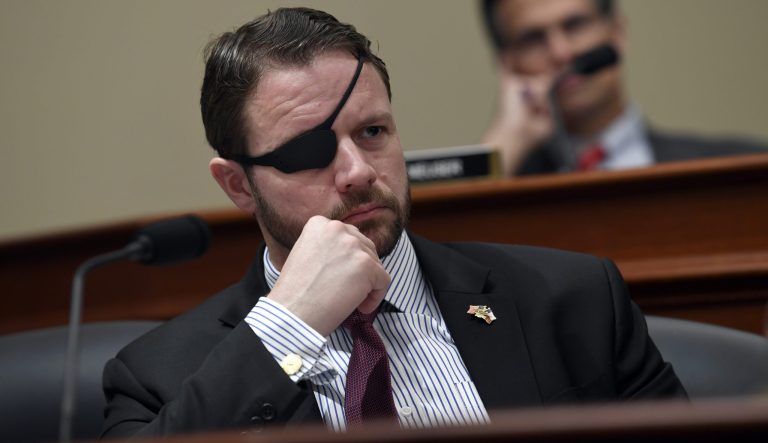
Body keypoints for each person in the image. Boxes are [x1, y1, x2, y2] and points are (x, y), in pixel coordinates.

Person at [101, 7, 685, 438]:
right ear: (237, 185)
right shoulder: (157, 377)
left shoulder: (573, 300)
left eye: (373, 133)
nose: (356, 171)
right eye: (308, 152)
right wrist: (288, 325)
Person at [480, 0, 767, 176]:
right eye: (533, 38)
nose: (561, 52)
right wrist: (505, 143)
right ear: (507, 65)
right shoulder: (508, 183)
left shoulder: (743, 170)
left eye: (575, 25)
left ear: (617, 33)